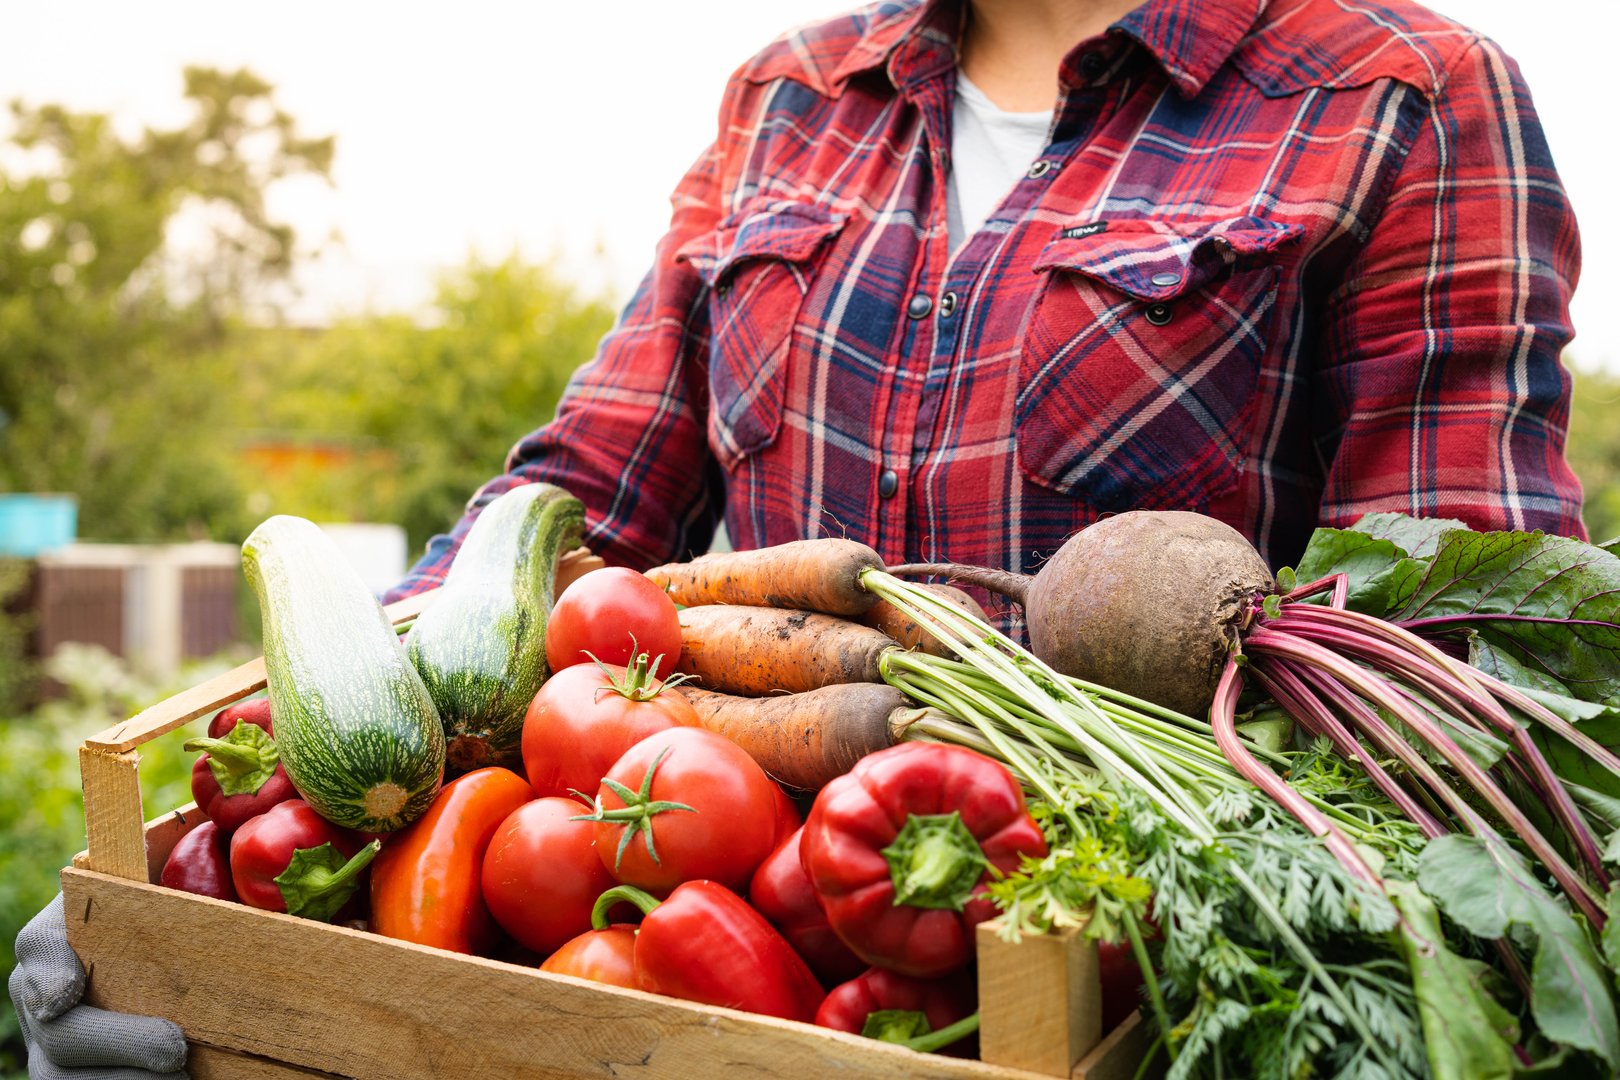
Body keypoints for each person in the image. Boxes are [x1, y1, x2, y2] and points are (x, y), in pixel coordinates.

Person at [11, 0, 1584, 1074]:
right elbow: (574, 496)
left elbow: (1443, 649)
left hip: (1115, 976)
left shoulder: (1397, 96)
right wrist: (177, 875)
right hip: (707, 944)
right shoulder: (794, 96)